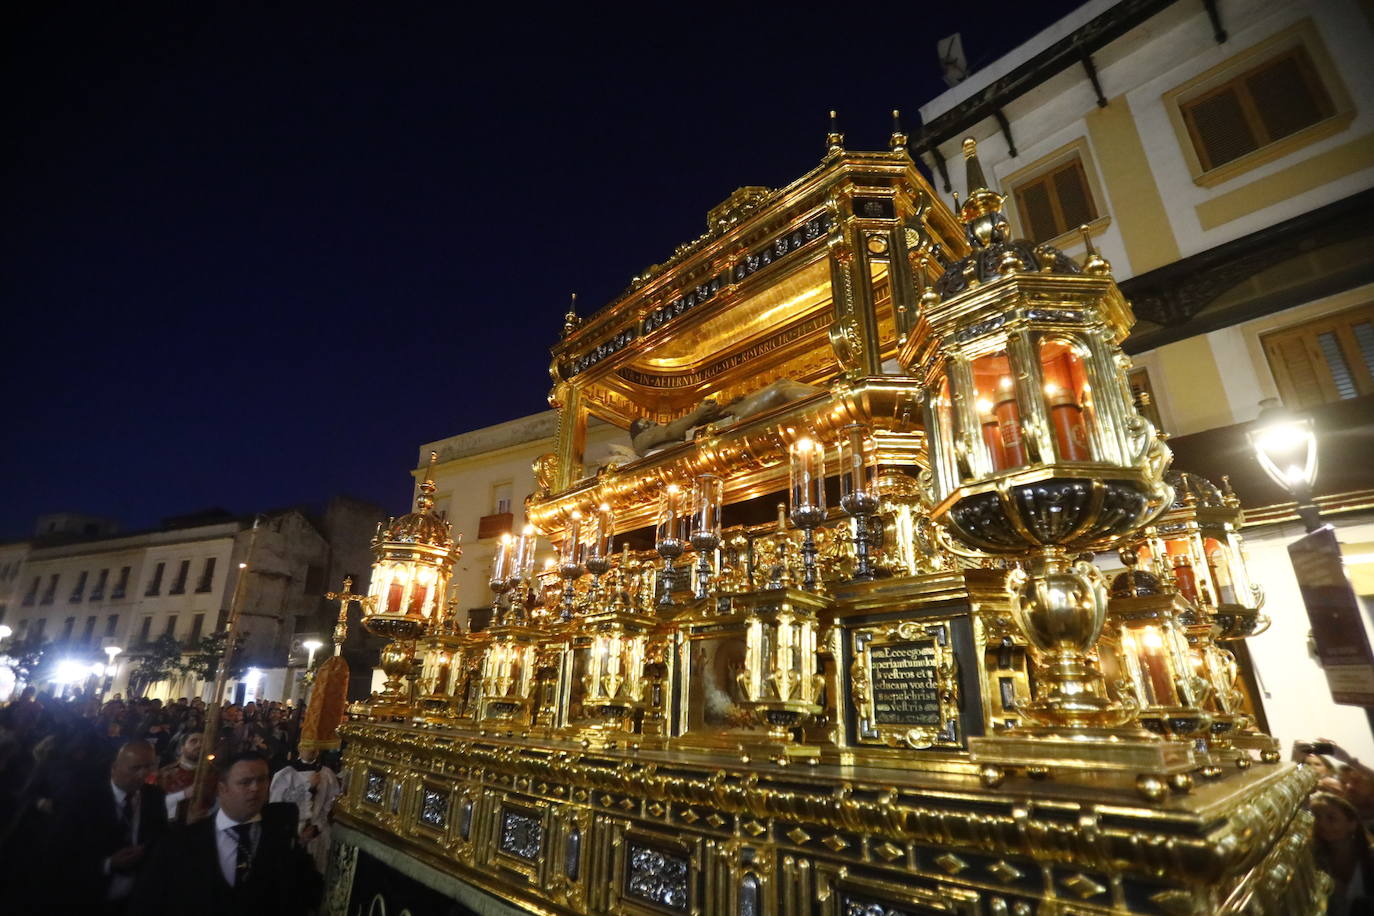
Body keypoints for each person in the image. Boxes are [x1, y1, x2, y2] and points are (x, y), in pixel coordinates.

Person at [131, 750, 322, 915]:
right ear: (223, 789)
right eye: (245, 782)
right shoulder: (182, 842)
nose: (255, 789)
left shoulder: (281, 838)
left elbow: (303, 893)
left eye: (261, 780)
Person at [47, 738, 169, 911]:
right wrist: (108, 864)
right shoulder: (83, 799)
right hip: (87, 897)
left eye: (148, 767)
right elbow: (61, 853)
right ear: (115, 767)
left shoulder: (154, 797)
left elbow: (159, 837)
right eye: (136, 768)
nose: (144, 774)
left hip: (134, 899)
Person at [269, 745, 340, 872]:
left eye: (315, 746)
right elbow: (278, 804)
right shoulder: (285, 774)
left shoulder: (327, 774)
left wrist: (318, 826)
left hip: (317, 831)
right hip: (292, 832)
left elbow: (331, 804)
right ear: (299, 748)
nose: (312, 749)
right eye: (307, 746)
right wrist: (308, 788)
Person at [1311, 792, 1374, 914]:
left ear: (1352, 824)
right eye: (1317, 817)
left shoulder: (1370, 856)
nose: (1322, 824)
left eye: (1331, 818)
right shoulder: (1315, 859)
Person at [158, 732, 205, 820]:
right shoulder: (166, 773)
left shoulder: (211, 775)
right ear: (182, 748)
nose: (200, 745)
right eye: (193, 741)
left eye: (203, 742)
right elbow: (157, 804)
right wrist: (183, 795)